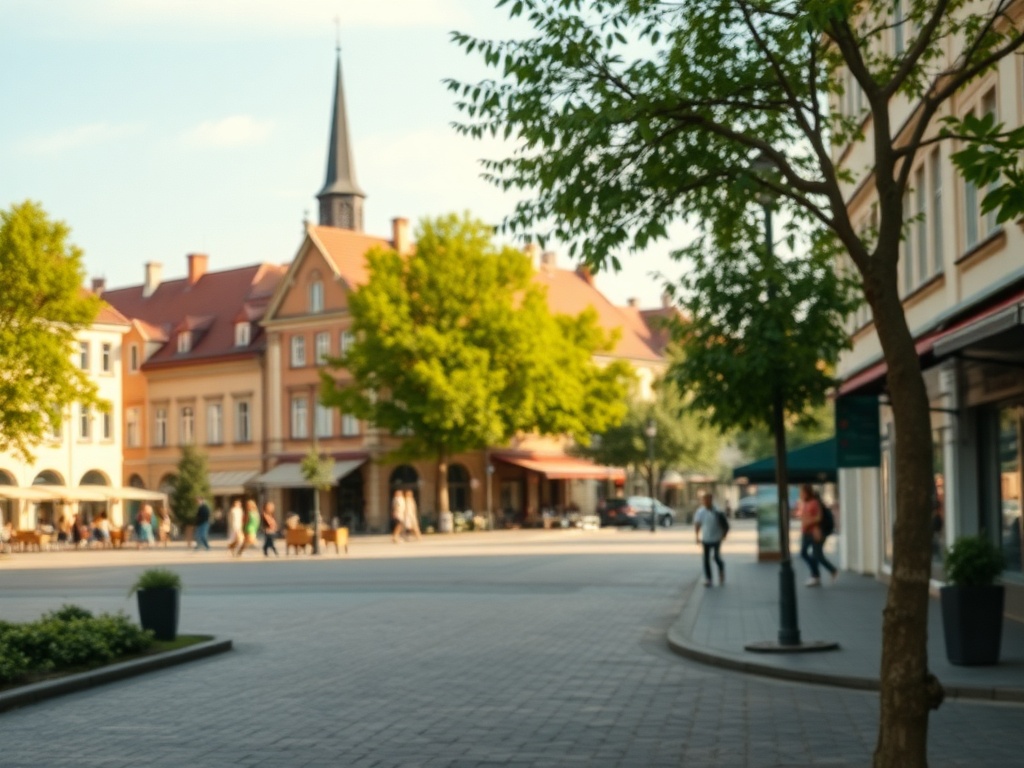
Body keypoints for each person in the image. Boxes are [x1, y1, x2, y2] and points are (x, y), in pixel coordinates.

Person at [799, 483, 837, 587]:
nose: (800, 494)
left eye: (802, 492)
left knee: (817, 555)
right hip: (806, 532)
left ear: (807, 492)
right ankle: (817, 574)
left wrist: (808, 522)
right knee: (804, 553)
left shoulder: (814, 502)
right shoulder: (805, 503)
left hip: (815, 533)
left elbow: (818, 517)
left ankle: (819, 574)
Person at [693, 492, 726, 587]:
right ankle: (709, 579)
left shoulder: (717, 511)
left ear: (711, 500)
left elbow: (724, 523)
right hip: (706, 538)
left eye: (708, 499)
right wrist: (697, 537)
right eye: (705, 500)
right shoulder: (700, 512)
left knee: (716, 557)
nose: (706, 502)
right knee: (706, 559)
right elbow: (697, 524)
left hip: (716, 538)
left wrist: (724, 534)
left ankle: (721, 569)